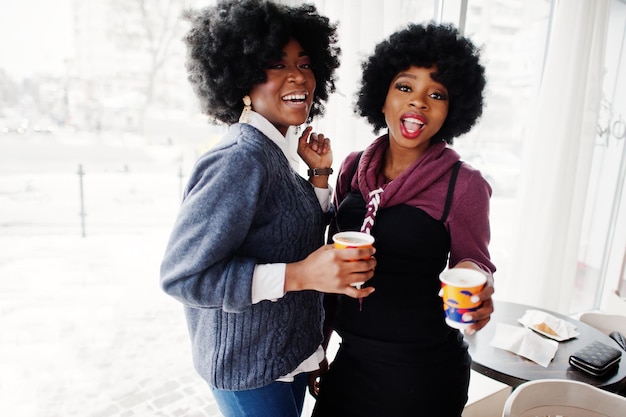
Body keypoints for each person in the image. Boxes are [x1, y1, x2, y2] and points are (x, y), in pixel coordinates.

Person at [159, 1, 376, 416]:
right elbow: (184, 276)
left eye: (306, 63)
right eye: (276, 64)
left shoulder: (275, 151)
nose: (298, 76)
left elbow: (286, 235)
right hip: (249, 372)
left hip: (283, 359)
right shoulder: (240, 157)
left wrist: (319, 178)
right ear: (242, 78)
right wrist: (299, 276)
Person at [310, 22, 496, 417]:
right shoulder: (353, 166)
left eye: (437, 94)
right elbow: (331, 270)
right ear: (382, 97)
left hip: (423, 375)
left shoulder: (463, 184)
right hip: (352, 360)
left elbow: (474, 260)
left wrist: (478, 287)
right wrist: (319, 346)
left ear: (452, 109)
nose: (419, 103)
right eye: (405, 87)